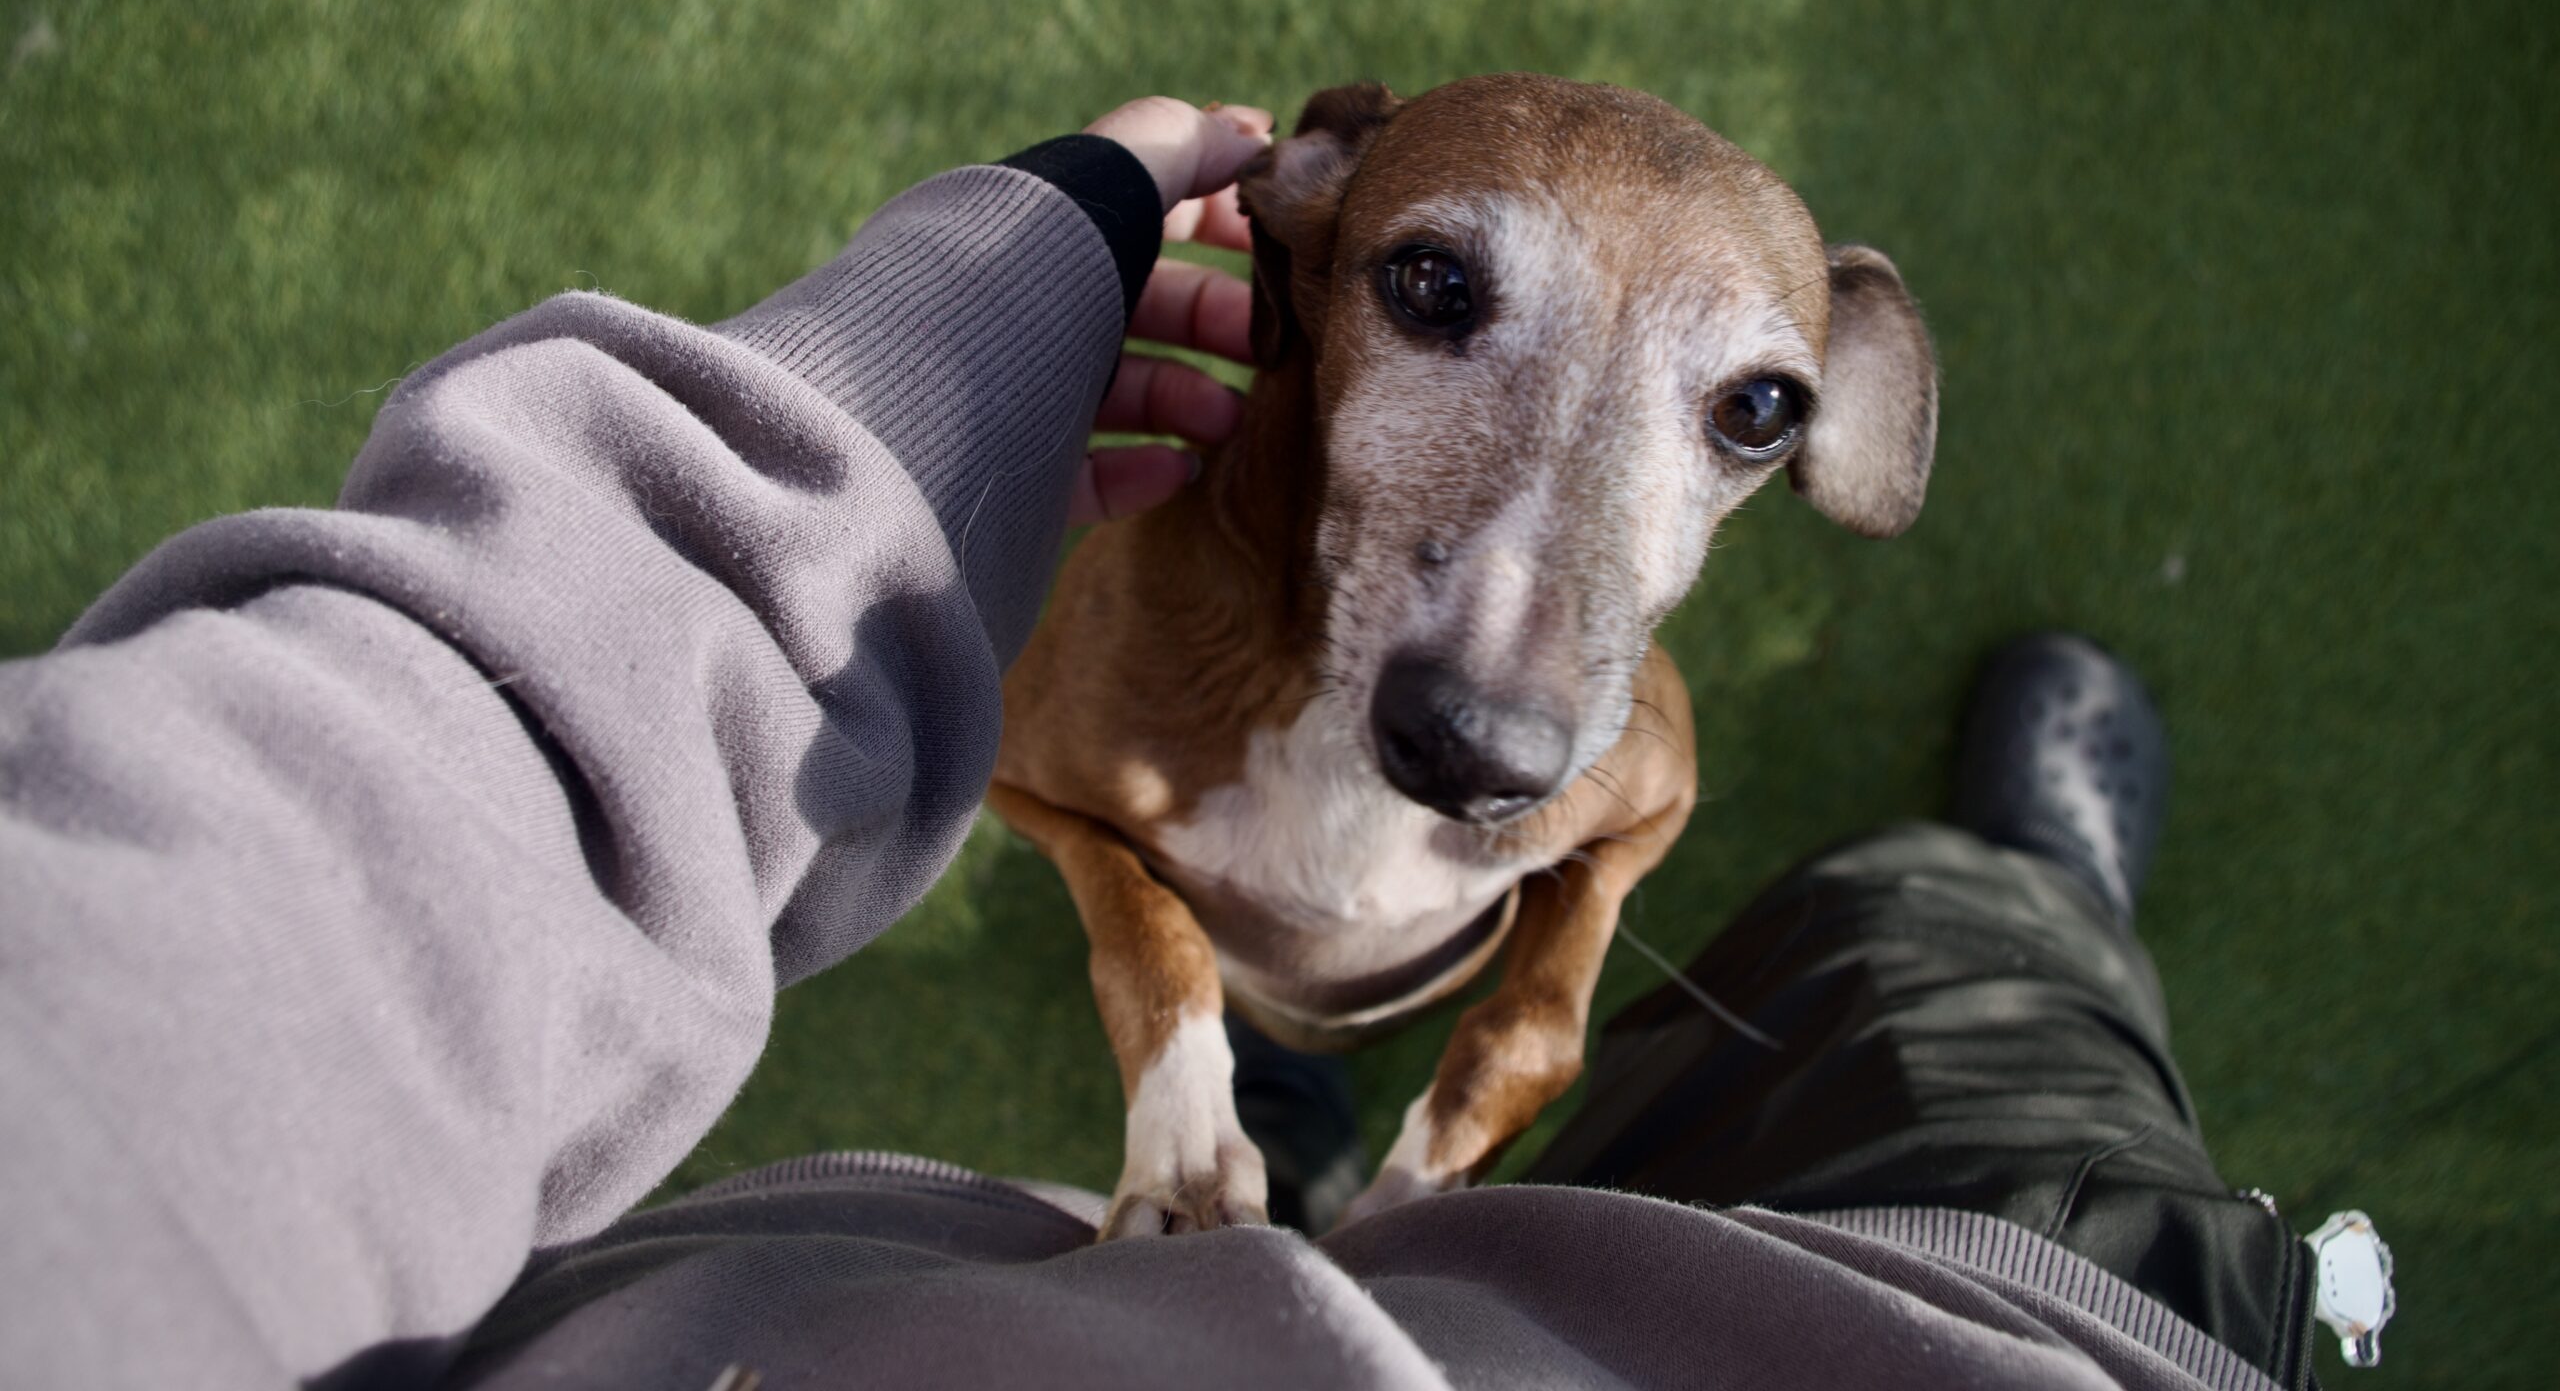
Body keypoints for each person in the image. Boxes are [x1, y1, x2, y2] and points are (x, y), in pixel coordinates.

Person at [0, 98, 2358, 1389]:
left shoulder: (1593, 735)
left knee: (1441, 1036)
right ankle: (2016, 914)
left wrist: (1539, 993)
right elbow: (1046, 779)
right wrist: (1158, 974)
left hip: (937, 1332)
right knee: (1967, 1022)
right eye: (1436, 292)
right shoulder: (1137, 632)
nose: (1502, 699)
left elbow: (1614, 799)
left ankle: (1300, 1121)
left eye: (1742, 414)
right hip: (1980, 1337)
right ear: (1302, 235)